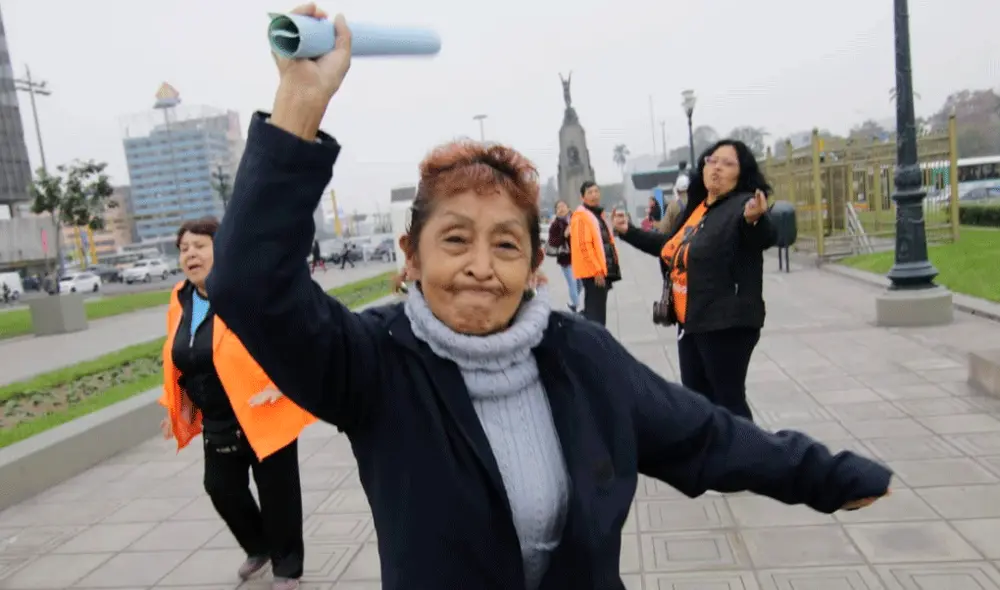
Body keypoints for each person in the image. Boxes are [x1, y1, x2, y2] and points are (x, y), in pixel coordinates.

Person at [206, 8, 892, 588]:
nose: (481, 267)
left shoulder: (580, 355)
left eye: (506, 245)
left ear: (536, 266)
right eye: (455, 240)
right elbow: (250, 284)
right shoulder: (375, 363)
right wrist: (300, 102)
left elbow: (703, 434)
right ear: (411, 257)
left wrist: (824, 475)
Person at [159, 216, 315, 590]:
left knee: (278, 494)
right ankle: (259, 546)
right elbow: (179, 354)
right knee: (220, 486)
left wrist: (283, 382)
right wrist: (177, 406)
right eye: (184, 248)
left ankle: (287, 567)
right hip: (217, 414)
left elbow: (291, 332)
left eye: (200, 246)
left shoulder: (249, 290)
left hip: (264, 409)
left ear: (223, 248)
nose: (190, 254)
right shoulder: (181, 298)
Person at [613, 139, 776, 421]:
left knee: (728, 401)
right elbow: (669, 247)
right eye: (712, 161)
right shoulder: (697, 209)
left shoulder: (741, 206)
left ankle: (748, 449)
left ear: (741, 173)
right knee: (698, 401)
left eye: (728, 164)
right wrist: (629, 231)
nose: (717, 168)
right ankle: (713, 450)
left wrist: (755, 219)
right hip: (690, 319)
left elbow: (763, 235)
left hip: (726, 322)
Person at [569, 180, 621, 326]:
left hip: (601, 271)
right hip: (593, 273)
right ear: (583, 197)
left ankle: (592, 333)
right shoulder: (581, 217)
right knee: (595, 315)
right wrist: (596, 270)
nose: (594, 195)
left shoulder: (597, 214)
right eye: (590, 192)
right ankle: (593, 337)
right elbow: (584, 246)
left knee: (597, 311)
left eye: (596, 191)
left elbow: (603, 238)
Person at [546, 200, 581, 312]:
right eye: (558, 207)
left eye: (563, 206)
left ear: (568, 208)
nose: (561, 209)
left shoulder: (576, 220)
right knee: (572, 283)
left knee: (580, 284)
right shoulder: (555, 225)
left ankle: (573, 304)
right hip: (566, 260)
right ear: (556, 211)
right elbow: (553, 242)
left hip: (579, 258)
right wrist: (564, 235)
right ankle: (576, 307)